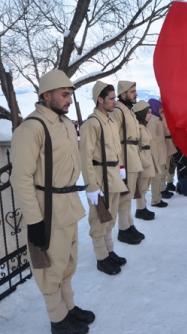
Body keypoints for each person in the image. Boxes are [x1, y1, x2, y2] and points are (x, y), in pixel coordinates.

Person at [10, 70, 94, 334]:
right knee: (50, 270)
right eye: (64, 94)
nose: (69, 100)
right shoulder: (31, 128)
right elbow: (21, 178)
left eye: (70, 94)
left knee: (67, 263)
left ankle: (68, 307)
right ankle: (58, 320)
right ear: (46, 95)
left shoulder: (66, 124)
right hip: (47, 210)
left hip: (67, 204)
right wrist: (35, 221)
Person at [79, 81, 128, 276]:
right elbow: (86, 157)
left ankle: (109, 251)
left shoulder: (110, 121)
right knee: (99, 218)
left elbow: (116, 149)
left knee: (110, 217)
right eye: (111, 98)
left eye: (115, 98)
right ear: (100, 99)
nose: (115, 102)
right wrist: (91, 185)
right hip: (100, 178)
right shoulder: (92, 123)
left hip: (113, 175)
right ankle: (101, 257)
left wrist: (121, 168)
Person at [109, 80, 145, 246]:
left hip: (132, 154)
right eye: (132, 91)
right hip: (125, 156)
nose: (135, 94)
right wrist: (120, 163)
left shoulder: (128, 111)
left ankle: (129, 225)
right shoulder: (118, 111)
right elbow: (114, 137)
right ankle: (123, 229)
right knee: (125, 196)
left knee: (130, 194)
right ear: (123, 94)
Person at [132, 100, 156, 220]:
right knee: (141, 185)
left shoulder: (144, 127)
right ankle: (140, 209)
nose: (150, 115)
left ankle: (143, 207)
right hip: (142, 159)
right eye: (148, 113)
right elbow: (134, 146)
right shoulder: (138, 128)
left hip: (147, 156)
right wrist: (143, 160)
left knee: (145, 185)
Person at [146, 99, 168, 208]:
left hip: (161, 153)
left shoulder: (158, 119)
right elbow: (151, 140)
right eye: (159, 108)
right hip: (157, 155)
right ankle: (155, 200)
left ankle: (158, 197)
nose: (161, 110)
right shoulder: (152, 121)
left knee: (159, 178)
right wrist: (154, 157)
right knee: (156, 179)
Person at [160, 105, 177, 196]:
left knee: (169, 166)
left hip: (170, 142)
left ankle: (167, 184)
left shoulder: (167, 117)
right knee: (163, 167)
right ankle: (161, 188)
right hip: (164, 143)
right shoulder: (160, 118)